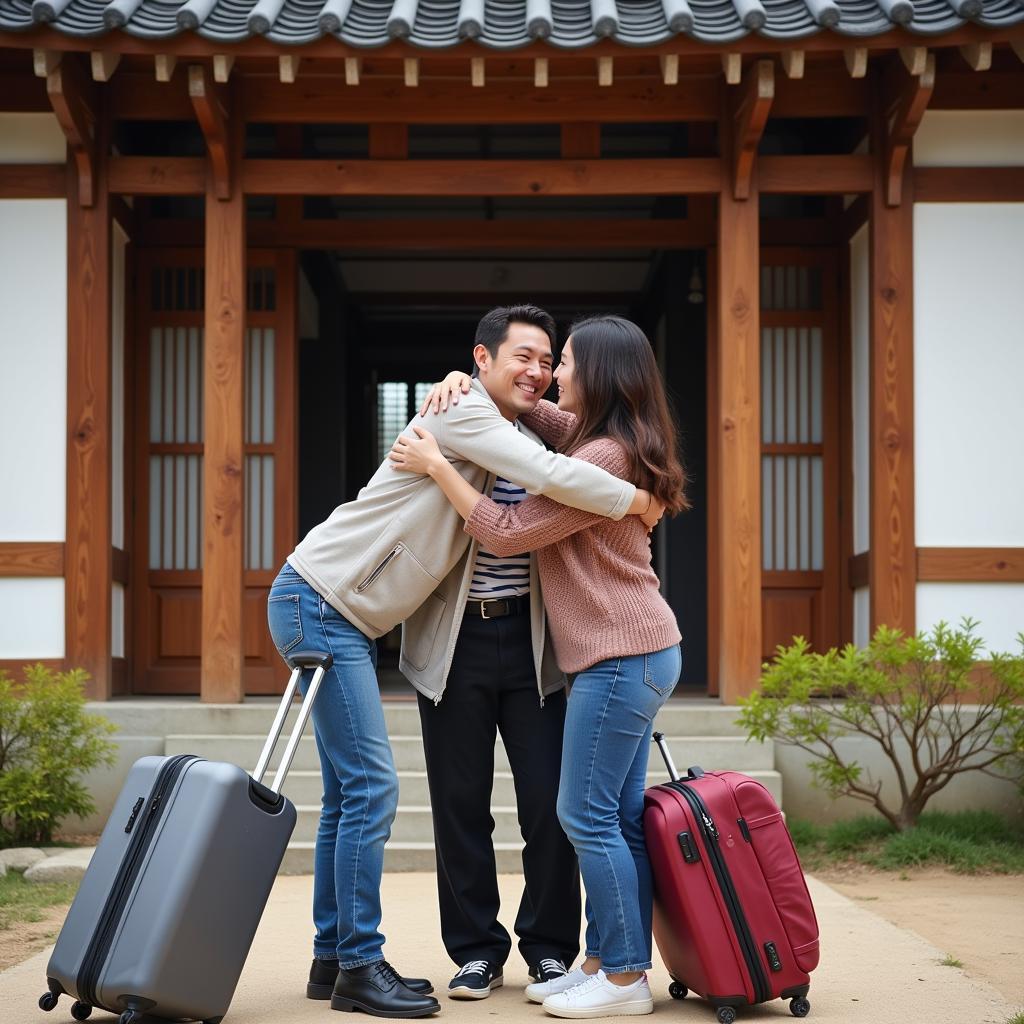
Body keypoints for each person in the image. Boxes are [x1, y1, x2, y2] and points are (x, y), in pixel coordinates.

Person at [267, 305, 659, 1018]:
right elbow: (535, 483)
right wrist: (636, 498)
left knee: (546, 806)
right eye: (526, 357)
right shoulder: (460, 416)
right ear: (481, 358)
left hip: (528, 643)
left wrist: (632, 482)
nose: (541, 371)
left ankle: (350, 959)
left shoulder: (548, 430)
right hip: (389, 622)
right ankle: (452, 951)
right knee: (423, 800)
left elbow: (561, 453)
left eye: (553, 360)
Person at [390, 314, 687, 1019]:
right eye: (544, 361)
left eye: (568, 363)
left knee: (581, 814)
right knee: (611, 817)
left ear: (603, 376)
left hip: (620, 655)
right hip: (629, 650)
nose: (554, 375)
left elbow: (511, 529)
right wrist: (464, 384)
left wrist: (436, 465)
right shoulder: (593, 440)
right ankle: (603, 962)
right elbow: (529, 411)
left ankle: (621, 980)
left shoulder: (602, 460)